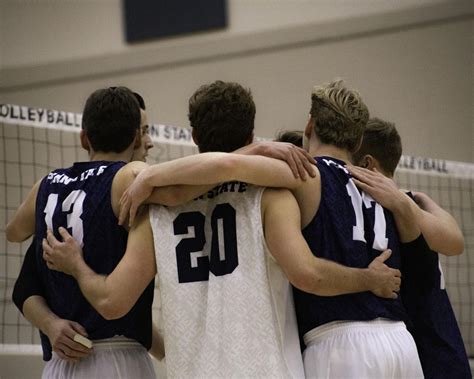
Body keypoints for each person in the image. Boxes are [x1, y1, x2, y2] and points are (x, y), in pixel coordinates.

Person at [43, 81, 402, 378]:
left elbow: (111, 302)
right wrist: (368, 279)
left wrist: (77, 266)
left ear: (194, 135)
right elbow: (307, 273)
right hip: (269, 369)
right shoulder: (273, 196)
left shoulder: (159, 206)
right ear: (251, 131)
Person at [6, 87, 162, 378]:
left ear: (83, 137)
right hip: (118, 357)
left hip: (60, 363)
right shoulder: (128, 178)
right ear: (136, 137)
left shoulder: (46, 185)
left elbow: (13, 232)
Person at [348, 118, 470, 379]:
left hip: (433, 352)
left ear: (367, 163)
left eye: (349, 158)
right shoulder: (413, 203)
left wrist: (404, 203)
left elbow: (455, 242)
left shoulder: (406, 206)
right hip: (419, 348)